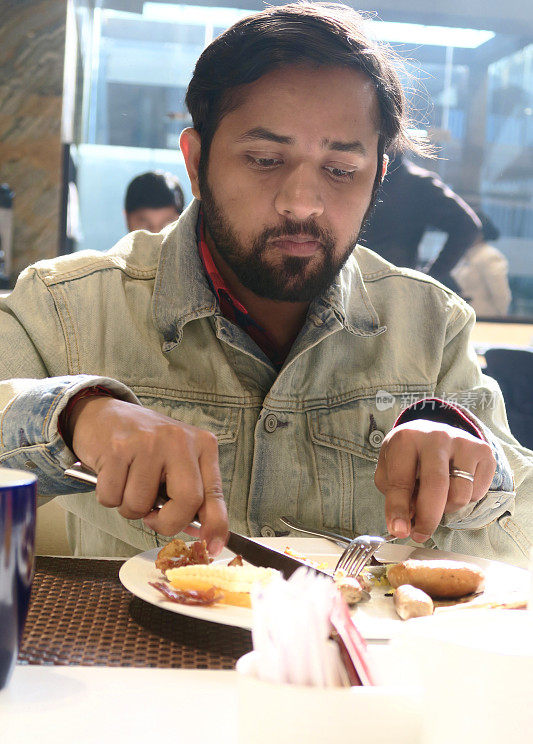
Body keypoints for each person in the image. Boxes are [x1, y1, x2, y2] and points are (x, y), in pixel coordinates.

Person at [0, 3, 531, 566]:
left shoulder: (431, 325)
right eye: (264, 158)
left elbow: (520, 529)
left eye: (340, 169)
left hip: (362, 653)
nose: (302, 202)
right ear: (197, 161)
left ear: (377, 176)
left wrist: (468, 465)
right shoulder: (69, 307)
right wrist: (78, 414)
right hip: (135, 652)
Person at [361, 153, 481, 293]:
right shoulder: (361, 174)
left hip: (392, 290)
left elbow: (466, 225)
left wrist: (430, 278)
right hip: (356, 285)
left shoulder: (415, 183)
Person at [452, 212, 512, 317]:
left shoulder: (490, 256)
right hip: (462, 318)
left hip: (483, 318)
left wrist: (500, 322)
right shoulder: (463, 255)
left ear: (480, 233)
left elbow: (501, 296)